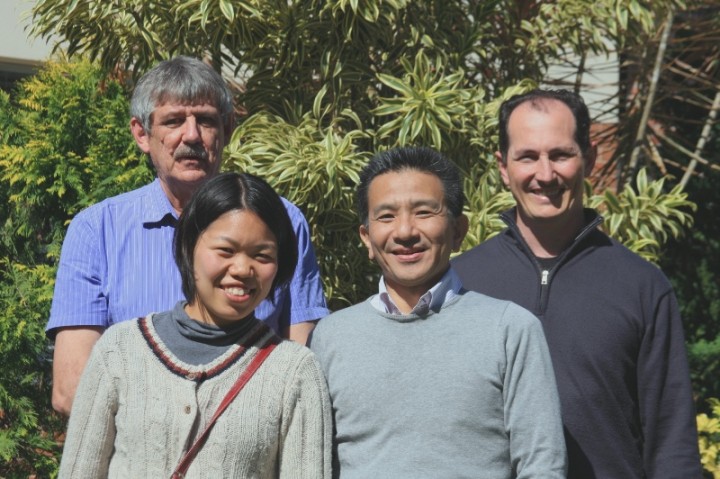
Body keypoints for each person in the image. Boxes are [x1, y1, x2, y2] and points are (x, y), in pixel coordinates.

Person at [47, 56, 329, 415]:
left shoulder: (282, 221)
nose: (191, 135)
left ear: (227, 127)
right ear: (141, 134)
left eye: (206, 120)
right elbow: (73, 390)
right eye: (174, 121)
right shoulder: (97, 231)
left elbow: (303, 370)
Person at [453, 89, 702, 478]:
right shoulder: (462, 283)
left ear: (588, 157)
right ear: (503, 166)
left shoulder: (641, 285)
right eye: (528, 156)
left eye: (560, 154)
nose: (545, 174)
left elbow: (672, 442)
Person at [309, 146, 567, 478]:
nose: (405, 232)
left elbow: (542, 465)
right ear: (367, 239)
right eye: (386, 216)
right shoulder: (331, 337)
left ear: (458, 230)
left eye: (424, 212)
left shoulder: (510, 329)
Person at [58, 172, 332, 478]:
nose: (242, 269)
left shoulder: (294, 372)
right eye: (225, 251)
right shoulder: (119, 350)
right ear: (189, 247)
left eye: (262, 255)